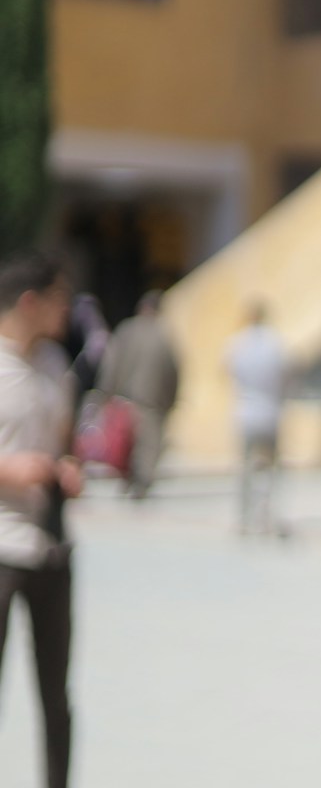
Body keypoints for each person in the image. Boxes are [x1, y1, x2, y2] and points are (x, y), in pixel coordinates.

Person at [0, 251, 84, 788]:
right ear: (30, 302)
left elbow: (65, 441)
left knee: (56, 695)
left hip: (51, 547)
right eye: (60, 298)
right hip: (2, 548)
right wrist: (10, 470)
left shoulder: (57, 367)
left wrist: (67, 466)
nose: (67, 308)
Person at [97, 289, 179, 498]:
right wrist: (171, 401)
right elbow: (172, 372)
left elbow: (111, 364)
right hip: (152, 401)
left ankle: (129, 479)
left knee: (127, 441)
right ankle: (141, 483)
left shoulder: (126, 331)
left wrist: (106, 393)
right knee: (147, 446)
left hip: (125, 397)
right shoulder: (162, 337)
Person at [224, 301, 289, 536]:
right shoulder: (275, 343)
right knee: (269, 470)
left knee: (245, 469)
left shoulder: (238, 343)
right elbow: (287, 374)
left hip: (245, 412)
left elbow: (226, 371)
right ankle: (265, 518)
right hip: (270, 412)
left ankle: (243, 519)